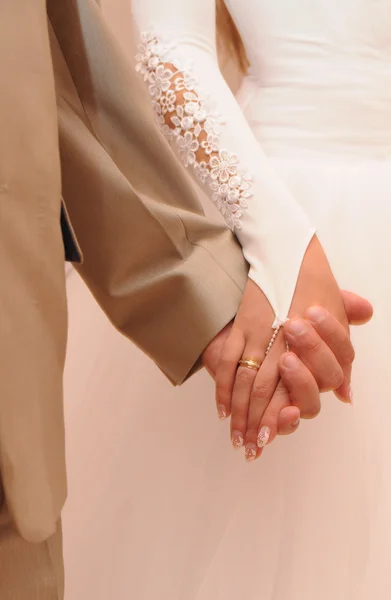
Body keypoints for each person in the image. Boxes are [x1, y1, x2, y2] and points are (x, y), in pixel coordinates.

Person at [0, 0, 371, 598]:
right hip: (279, 193)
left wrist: (212, 297)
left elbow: (61, 69)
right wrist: (283, 242)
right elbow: (170, 50)